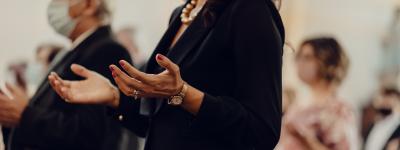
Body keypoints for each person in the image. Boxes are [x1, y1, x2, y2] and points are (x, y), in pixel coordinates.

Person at [48, 0, 285, 149]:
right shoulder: (182, 13)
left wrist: (183, 93)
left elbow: (261, 132)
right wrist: (115, 97)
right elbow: (162, 122)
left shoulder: (250, 10)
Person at [0, 0, 131, 149]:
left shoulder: (108, 50)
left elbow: (89, 135)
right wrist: (12, 112)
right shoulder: (73, 50)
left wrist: (25, 114)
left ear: (89, 5)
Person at [276, 37, 358, 150]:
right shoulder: (300, 105)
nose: (299, 62)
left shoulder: (339, 110)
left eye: (307, 57)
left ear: (328, 63)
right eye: (298, 56)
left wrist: (306, 140)